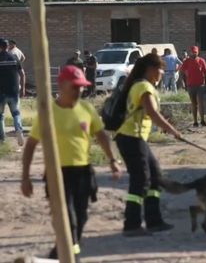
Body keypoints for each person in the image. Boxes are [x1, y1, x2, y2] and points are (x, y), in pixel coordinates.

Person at [21, 65, 122, 261]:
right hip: (57, 173)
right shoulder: (47, 112)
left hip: (83, 172)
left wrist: (112, 160)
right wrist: (25, 177)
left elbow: (101, 135)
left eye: (81, 87)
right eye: (74, 86)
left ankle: (55, 257)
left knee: (81, 218)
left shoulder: (86, 108)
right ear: (61, 86)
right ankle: (71, 259)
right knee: (68, 221)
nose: (79, 91)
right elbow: (31, 145)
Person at [115, 53, 182, 237]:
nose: (163, 73)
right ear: (152, 70)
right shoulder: (144, 87)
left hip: (134, 138)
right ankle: (132, 224)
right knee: (141, 179)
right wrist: (173, 131)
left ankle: (154, 221)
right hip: (131, 137)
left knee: (155, 175)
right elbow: (152, 112)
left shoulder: (139, 85)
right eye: (161, 69)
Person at [0, 38, 25, 146]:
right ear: (7, 46)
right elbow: (22, 74)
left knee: (0, 115)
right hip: (14, 91)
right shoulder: (14, 57)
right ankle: (18, 130)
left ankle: (2, 137)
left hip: (1, 92)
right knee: (16, 113)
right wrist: (23, 88)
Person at [180, 46, 206, 127]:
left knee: (201, 103)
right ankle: (195, 121)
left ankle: (202, 120)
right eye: (193, 52)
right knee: (194, 103)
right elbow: (181, 72)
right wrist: (183, 82)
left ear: (198, 52)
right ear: (190, 52)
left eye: (195, 52)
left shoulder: (201, 60)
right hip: (190, 85)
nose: (194, 53)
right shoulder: (187, 61)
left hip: (200, 85)